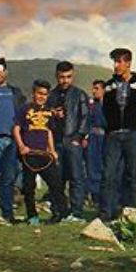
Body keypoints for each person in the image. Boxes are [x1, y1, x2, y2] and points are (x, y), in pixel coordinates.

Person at [101, 48, 136, 221]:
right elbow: (106, 111)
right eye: (114, 61)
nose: (116, 65)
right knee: (109, 173)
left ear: (128, 63)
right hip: (113, 135)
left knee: (131, 173)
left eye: (119, 61)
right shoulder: (109, 85)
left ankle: (130, 211)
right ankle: (107, 212)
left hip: (133, 134)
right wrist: (109, 130)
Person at [15, 81, 63, 225]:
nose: (42, 97)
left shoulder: (49, 111)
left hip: (44, 155)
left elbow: (49, 132)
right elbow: (16, 128)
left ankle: (58, 213)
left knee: (55, 184)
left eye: (45, 94)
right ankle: (32, 216)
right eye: (39, 93)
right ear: (33, 93)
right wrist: (21, 146)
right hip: (29, 155)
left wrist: (52, 151)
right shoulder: (25, 109)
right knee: (29, 187)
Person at [47, 61, 89, 222]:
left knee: (76, 177)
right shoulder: (51, 96)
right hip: (56, 142)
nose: (65, 80)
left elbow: (85, 118)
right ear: (56, 76)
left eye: (68, 77)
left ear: (73, 76)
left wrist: (78, 138)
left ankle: (76, 212)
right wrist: (52, 115)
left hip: (73, 141)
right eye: (62, 77)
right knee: (57, 179)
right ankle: (58, 212)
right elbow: (44, 120)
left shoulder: (80, 94)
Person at [0, 58, 26, 223]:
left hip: (12, 140)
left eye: (0, 71)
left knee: (9, 178)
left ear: (6, 72)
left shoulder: (15, 92)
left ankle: (7, 212)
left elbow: (23, 114)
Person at [86, 80, 107, 206]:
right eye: (93, 88)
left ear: (103, 89)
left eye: (97, 88)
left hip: (106, 138)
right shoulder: (91, 105)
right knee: (93, 166)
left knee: (106, 166)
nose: (94, 91)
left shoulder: (109, 105)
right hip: (93, 138)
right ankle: (95, 195)